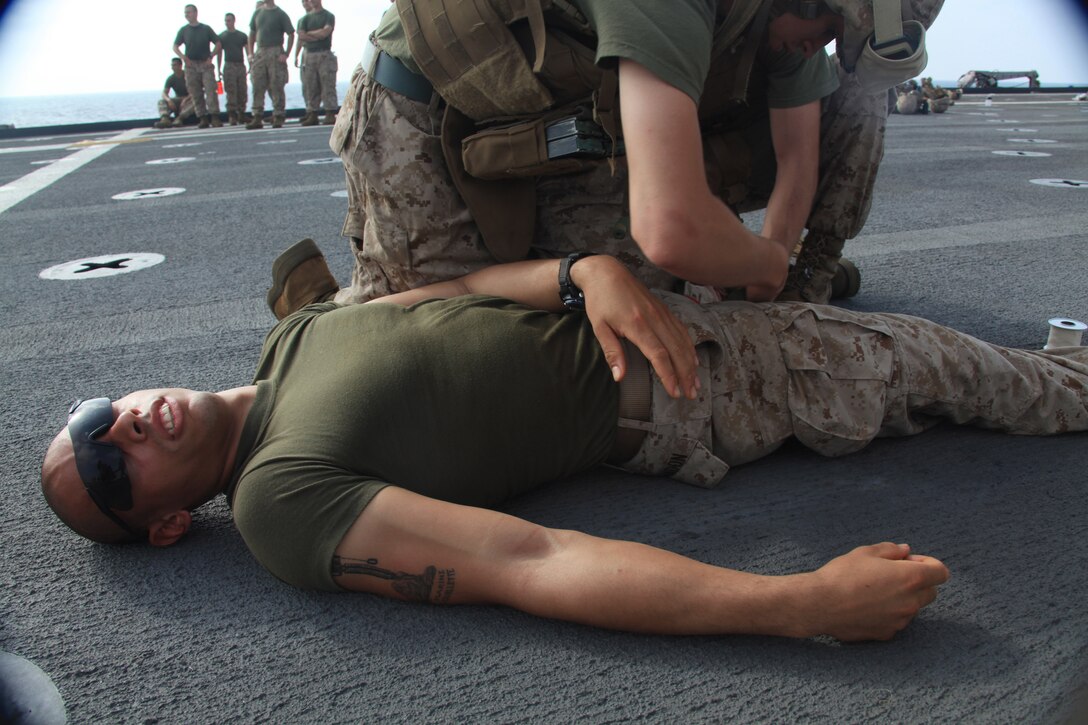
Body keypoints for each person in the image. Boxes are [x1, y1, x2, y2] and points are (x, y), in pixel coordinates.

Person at [42, 248, 1088, 642]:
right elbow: (524, 560)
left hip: (652, 311)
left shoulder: (293, 336)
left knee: (929, 340)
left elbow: (453, 292)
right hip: (706, 388)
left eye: (100, 414)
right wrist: (798, 604)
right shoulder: (279, 500)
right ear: (169, 523)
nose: (122, 427)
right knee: (963, 372)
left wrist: (581, 271)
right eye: (106, 466)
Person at [322, 0, 940, 309]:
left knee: (640, 307)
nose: (821, 48)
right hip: (421, 111)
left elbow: (799, 159)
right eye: (828, 29)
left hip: (549, 121)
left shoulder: (786, 17)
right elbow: (669, 228)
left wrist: (773, 277)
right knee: (428, 331)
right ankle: (326, 307)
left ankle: (814, 279)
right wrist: (760, 261)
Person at [173, 4, 223, 129]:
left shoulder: (205, 29)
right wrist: (183, 57)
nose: (187, 15)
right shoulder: (184, 30)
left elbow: (218, 43)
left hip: (205, 64)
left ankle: (215, 117)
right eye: (185, 13)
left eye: (189, 12)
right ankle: (203, 118)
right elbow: (175, 46)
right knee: (195, 93)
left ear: (195, 13)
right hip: (191, 65)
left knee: (211, 90)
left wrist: (211, 56)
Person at [246, 0, 294, 129]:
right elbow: (251, 33)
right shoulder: (257, 13)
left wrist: (286, 53)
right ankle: (257, 116)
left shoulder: (280, 14)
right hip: (260, 52)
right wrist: (250, 53)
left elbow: (291, 34)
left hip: (275, 51)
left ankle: (278, 115)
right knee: (257, 85)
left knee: (276, 85)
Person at [295, 0, 338, 126]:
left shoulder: (328, 16)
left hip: (324, 53)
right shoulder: (304, 19)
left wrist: (310, 34)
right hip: (309, 55)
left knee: (328, 84)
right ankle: (312, 113)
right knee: (310, 85)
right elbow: (301, 36)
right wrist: (317, 34)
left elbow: (326, 33)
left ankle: (330, 113)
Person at [218, 12, 250, 126]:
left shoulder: (241, 36)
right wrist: (218, 68)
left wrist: (250, 64)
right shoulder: (222, 36)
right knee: (231, 91)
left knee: (242, 90)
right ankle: (232, 115)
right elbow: (219, 53)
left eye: (229, 20)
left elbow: (248, 50)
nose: (227, 23)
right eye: (226, 20)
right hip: (229, 65)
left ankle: (241, 113)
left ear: (234, 21)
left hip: (240, 65)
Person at [154, 57, 196, 129]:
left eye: (175, 65)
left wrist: (185, 100)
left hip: (188, 100)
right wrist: (169, 100)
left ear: (180, 65)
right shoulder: (171, 78)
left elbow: (195, 91)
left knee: (196, 101)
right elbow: (164, 93)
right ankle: (165, 119)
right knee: (161, 102)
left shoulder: (188, 76)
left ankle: (179, 119)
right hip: (178, 100)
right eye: (172, 65)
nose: (173, 67)